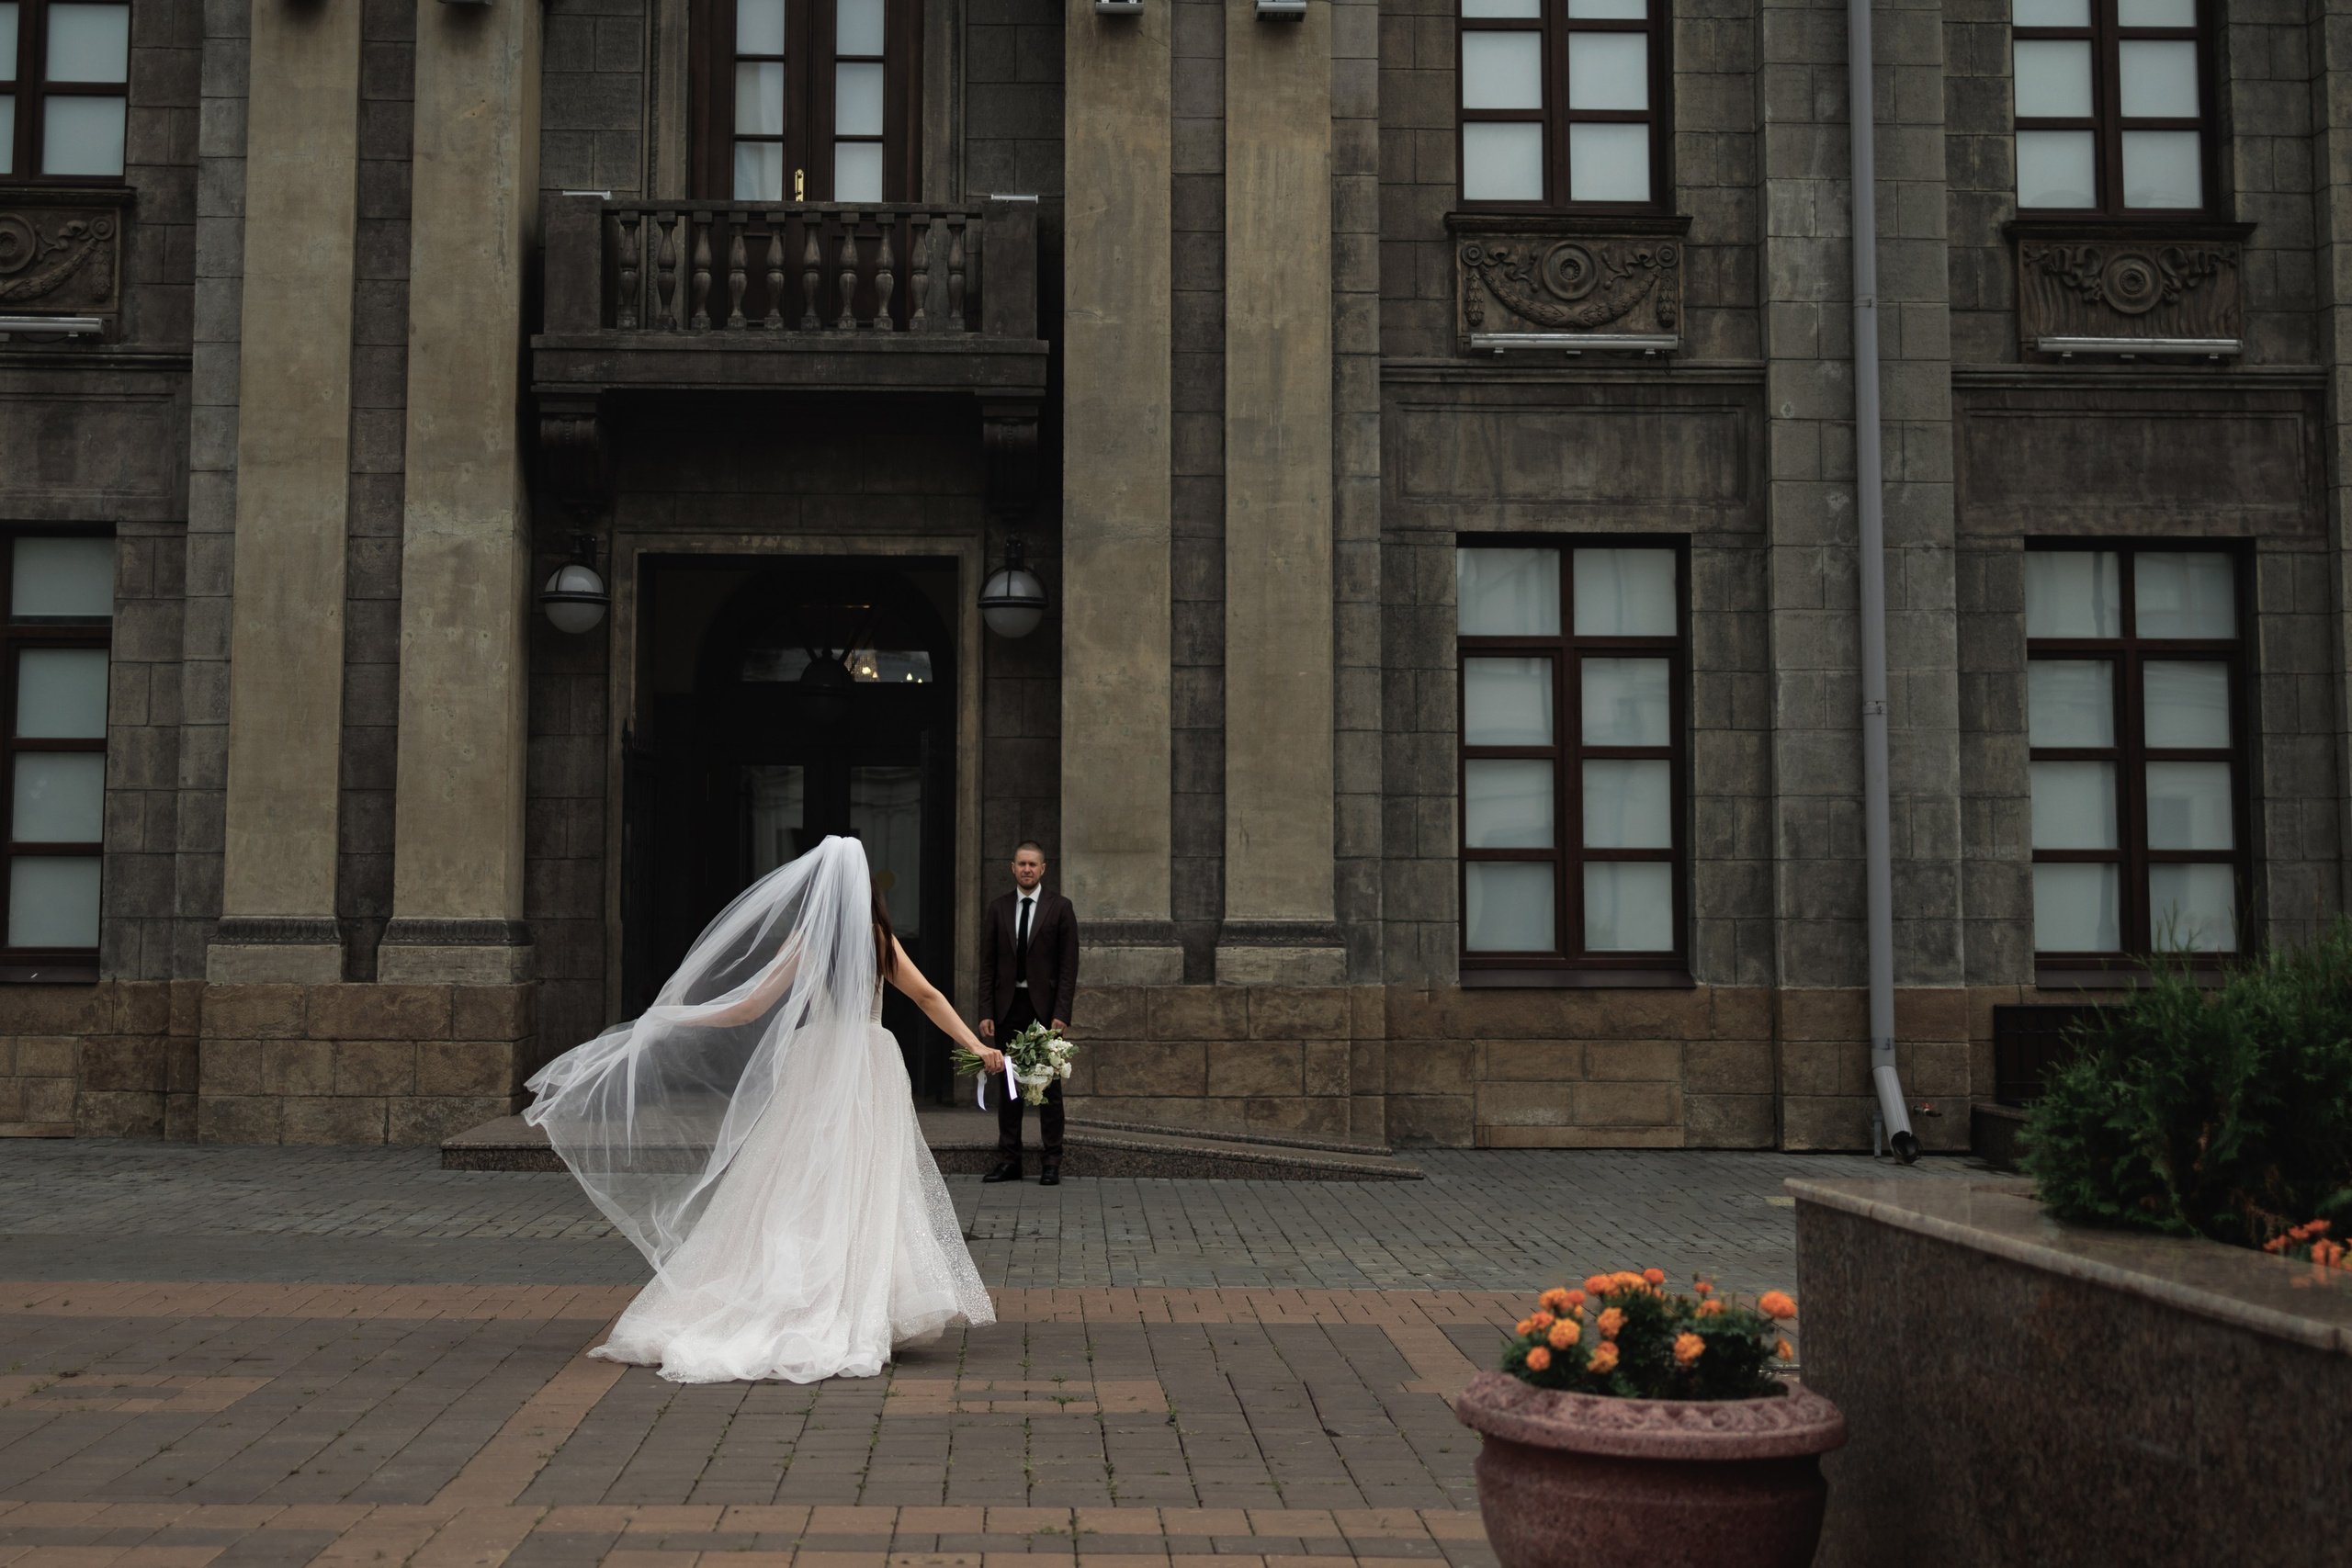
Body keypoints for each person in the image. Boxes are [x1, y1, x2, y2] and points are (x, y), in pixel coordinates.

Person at [522, 836, 1005, 1384]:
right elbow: (928, 997)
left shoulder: (807, 940)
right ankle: (856, 1301)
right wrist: (978, 1047)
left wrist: (681, 1017)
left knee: (796, 1176)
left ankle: (805, 1292)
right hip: (869, 1064)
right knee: (866, 1178)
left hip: (816, 1061)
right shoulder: (879, 939)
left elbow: (751, 1005)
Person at [977, 840, 1078, 1185]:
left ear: (1043, 868)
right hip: (1007, 1009)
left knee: (1049, 1089)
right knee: (1009, 1088)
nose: (1027, 870)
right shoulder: (998, 908)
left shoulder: (1060, 908)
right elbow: (987, 965)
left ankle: (1052, 1161)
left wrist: (1062, 1012)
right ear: (1012, 867)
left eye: (1033, 864)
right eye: (1021, 864)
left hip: (1045, 1011)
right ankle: (1010, 1160)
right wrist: (986, 1010)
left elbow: (1068, 966)